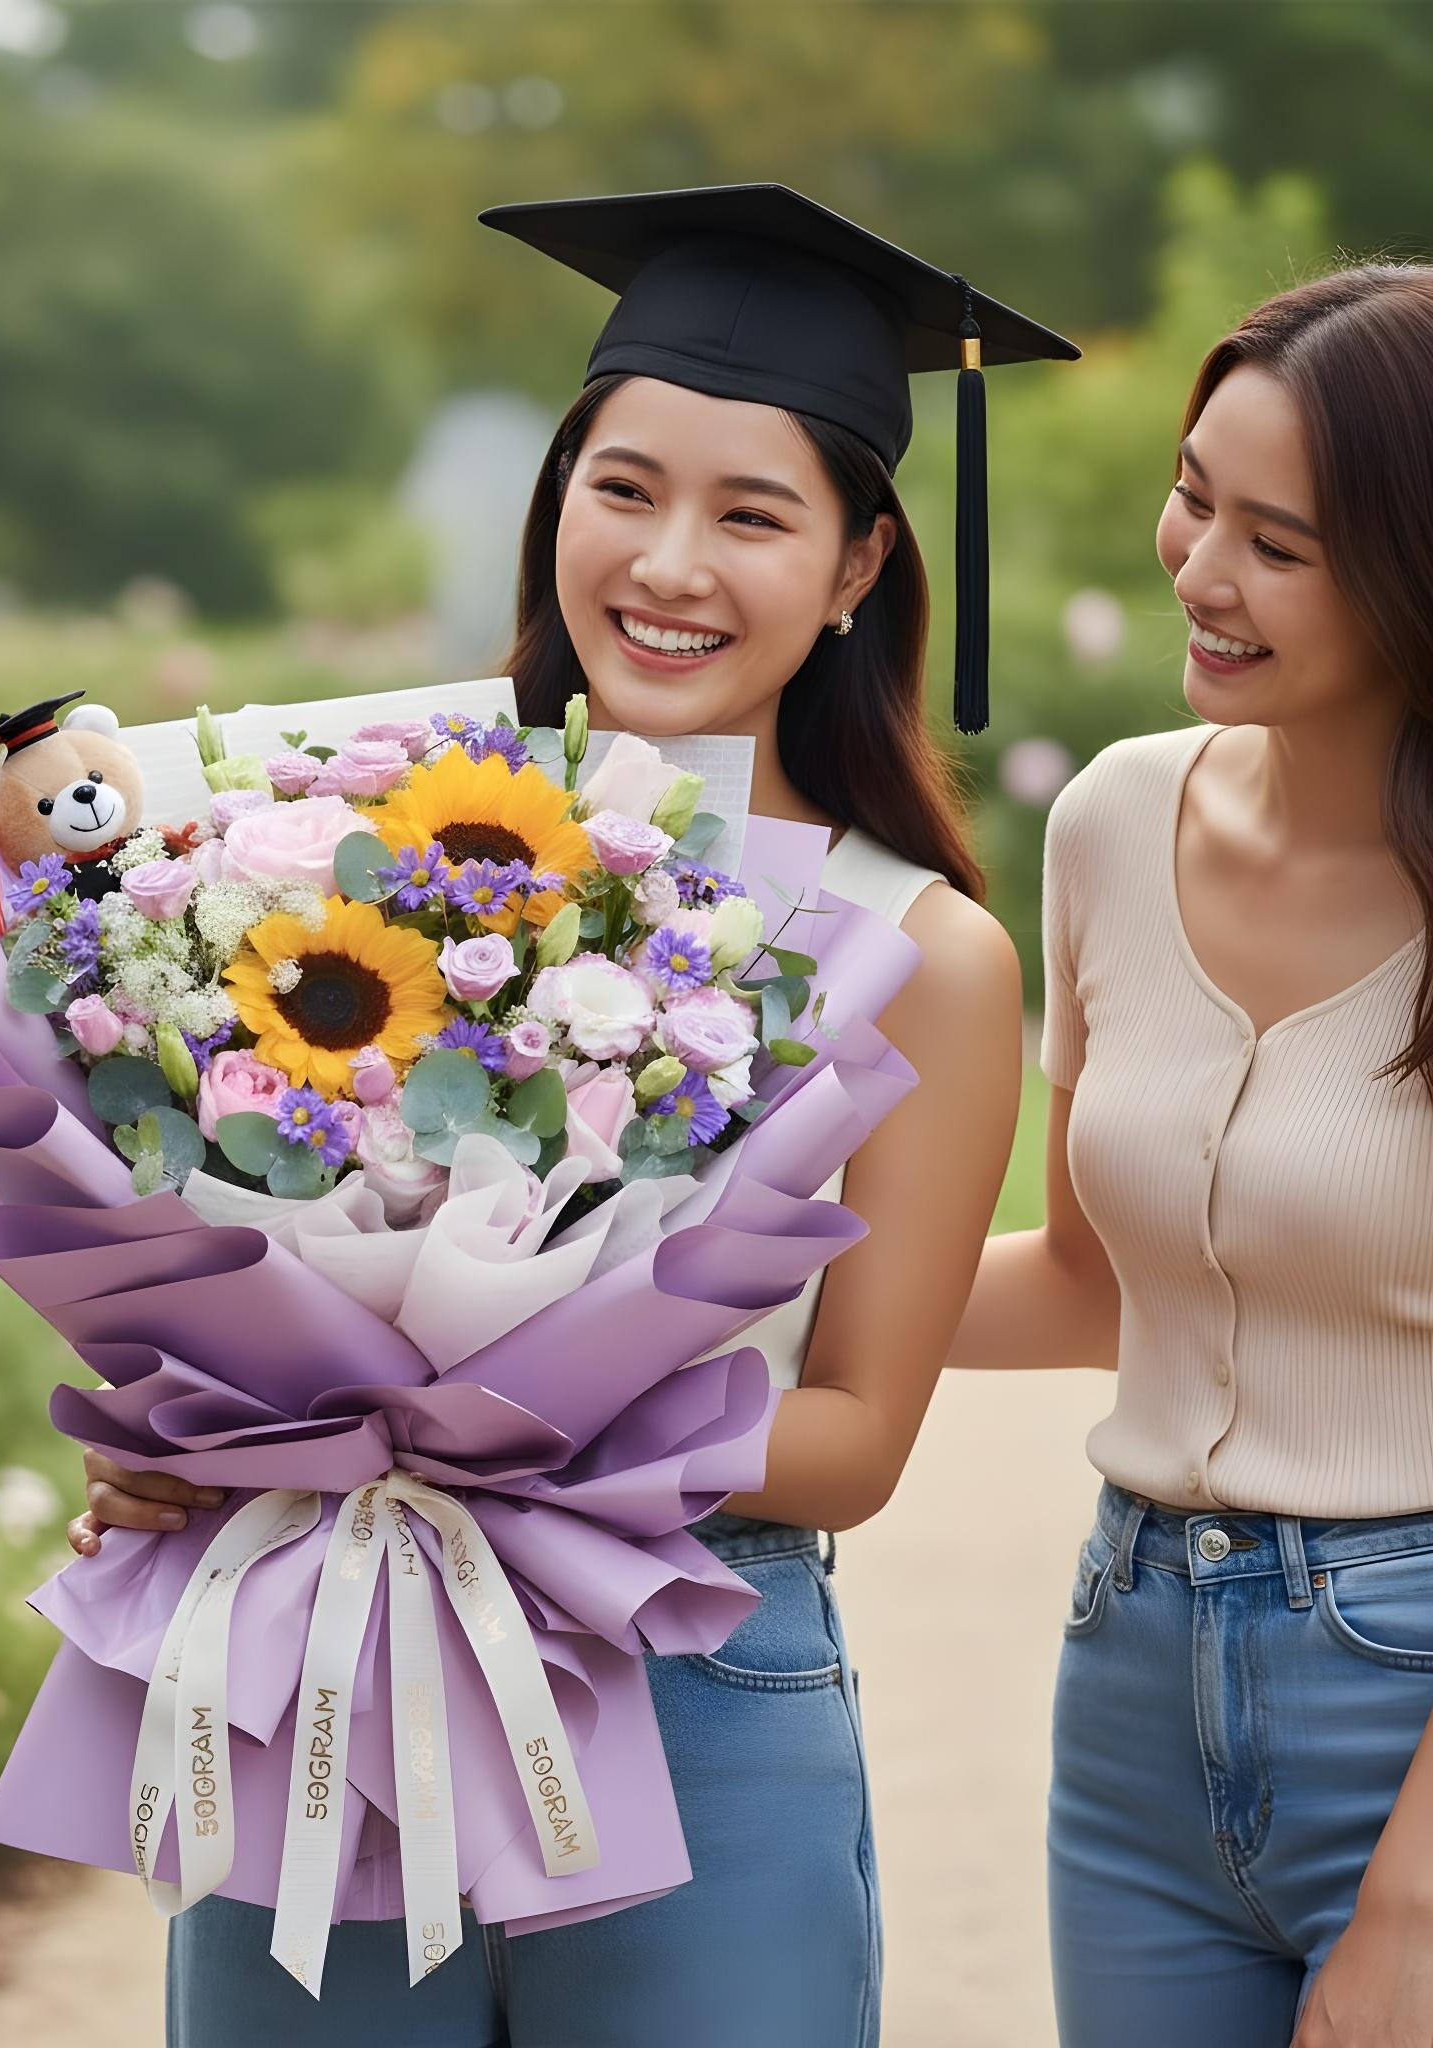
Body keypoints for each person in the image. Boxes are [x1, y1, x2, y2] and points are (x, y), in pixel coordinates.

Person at [72, 184, 1072, 2046]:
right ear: (558, 505)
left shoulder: (923, 952)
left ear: (859, 564)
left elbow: (854, 1440)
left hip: (691, 1674)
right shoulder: (343, 840)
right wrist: (208, 1439)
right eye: (624, 489)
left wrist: (402, 1429)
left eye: (752, 515)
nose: (670, 564)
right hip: (326, 1653)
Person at [949, 266, 1433, 2047]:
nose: (1199, 571)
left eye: (1277, 545)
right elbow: (1091, 1286)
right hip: (1136, 1667)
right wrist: (687, 1297)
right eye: (1192, 496)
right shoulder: (1112, 819)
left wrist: (1415, 1906)